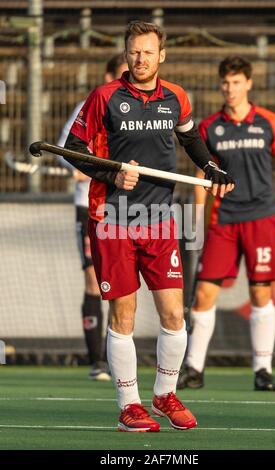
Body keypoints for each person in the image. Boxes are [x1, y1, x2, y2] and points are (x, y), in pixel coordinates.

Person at [63, 21, 234, 432]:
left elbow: (190, 139)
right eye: (133, 51)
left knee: (175, 313)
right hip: (113, 219)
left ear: (161, 56)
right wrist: (111, 177)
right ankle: (129, 406)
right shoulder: (104, 97)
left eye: (147, 52)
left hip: (159, 220)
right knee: (123, 313)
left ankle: (164, 394)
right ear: (126, 54)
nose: (140, 59)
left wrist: (210, 166)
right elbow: (73, 149)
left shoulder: (175, 97)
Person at [178, 55, 275, 392]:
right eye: (225, 83)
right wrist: (197, 225)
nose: (230, 89)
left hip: (260, 219)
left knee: (261, 294)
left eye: (236, 82)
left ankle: (263, 370)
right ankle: (194, 368)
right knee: (203, 294)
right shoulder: (209, 127)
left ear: (248, 83)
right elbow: (201, 180)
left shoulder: (270, 122)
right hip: (223, 220)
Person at [57, 54, 128, 381]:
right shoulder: (91, 105)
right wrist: (85, 169)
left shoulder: (138, 109)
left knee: (120, 282)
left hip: (125, 206)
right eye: (121, 75)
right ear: (107, 75)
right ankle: (97, 360)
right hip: (89, 205)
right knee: (91, 278)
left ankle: (118, 355)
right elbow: (65, 151)